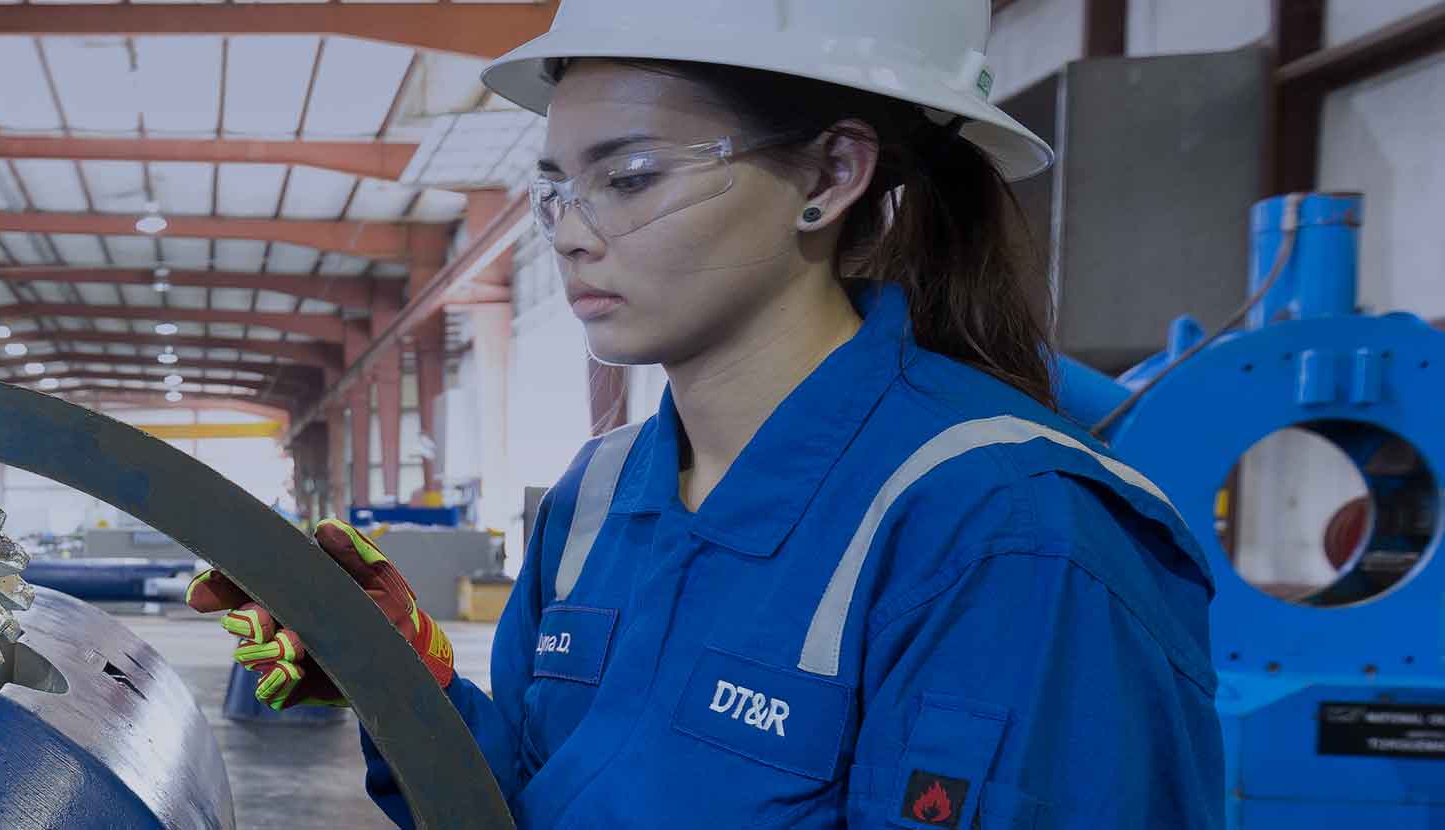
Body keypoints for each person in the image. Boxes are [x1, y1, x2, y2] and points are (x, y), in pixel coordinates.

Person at [188, 0, 1223, 826]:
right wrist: (396, 683)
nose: (571, 235)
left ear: (829, 174)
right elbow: (523, 803)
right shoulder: (592, 500)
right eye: (554, 188)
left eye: (628, 177)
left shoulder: (1007, 532)